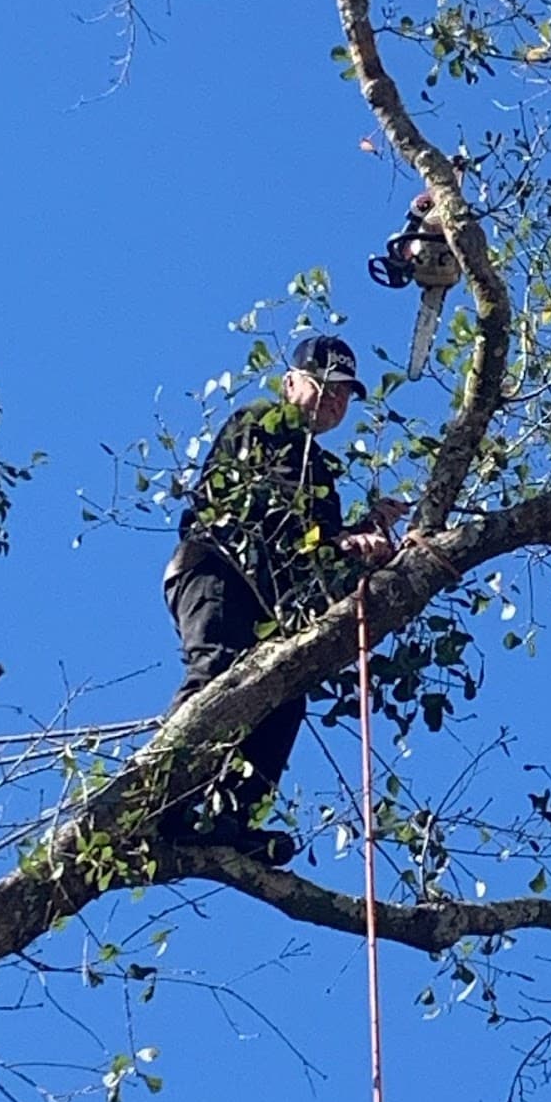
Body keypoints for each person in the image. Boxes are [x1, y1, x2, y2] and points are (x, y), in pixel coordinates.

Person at [161, 335, 402, 863]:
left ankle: (232, 820)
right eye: (325, 387)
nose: (335, 400)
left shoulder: (320, 474)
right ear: (292, 382)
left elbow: (316, 557)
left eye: (344, 394)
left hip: (269, 606)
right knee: (216, 673)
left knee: (283, 695)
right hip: (220, 571)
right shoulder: (262, 424)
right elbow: (268, 507)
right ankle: (159, 803)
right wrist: (344, 540)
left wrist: (366, 532)